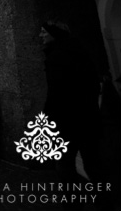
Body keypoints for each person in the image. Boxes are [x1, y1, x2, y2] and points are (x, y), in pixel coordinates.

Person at [40, 19, 104, 184]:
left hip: (66, 120)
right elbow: (94, 84)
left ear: (54, 35)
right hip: (89, 116)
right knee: (93, 163)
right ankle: (106, 202)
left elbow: (56, 92)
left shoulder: (56, 57)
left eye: (44, 32)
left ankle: (72, 203)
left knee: (64, 163)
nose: (41, 36)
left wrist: (47, 118)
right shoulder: (81, 52)